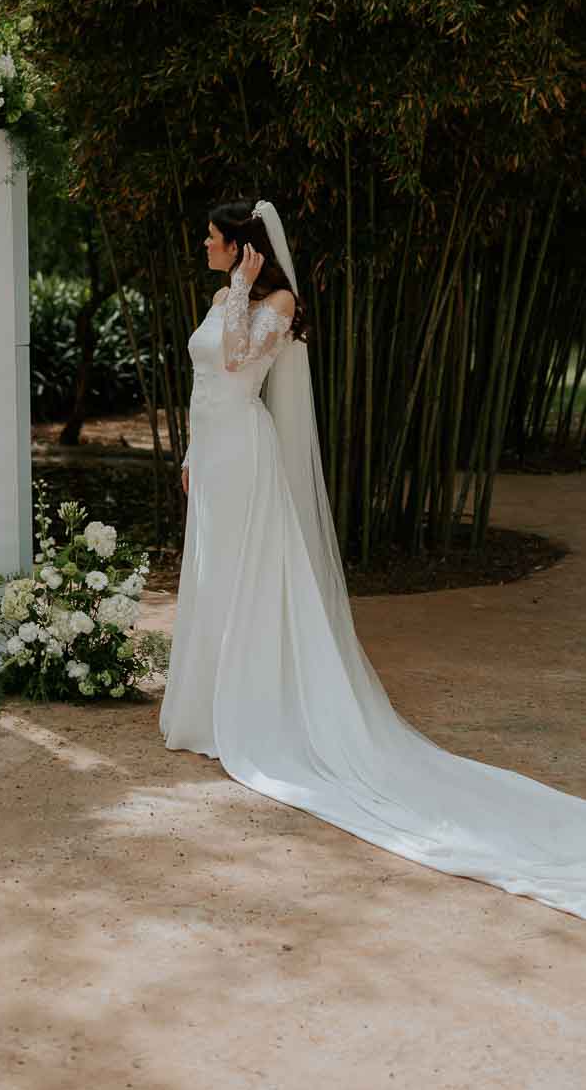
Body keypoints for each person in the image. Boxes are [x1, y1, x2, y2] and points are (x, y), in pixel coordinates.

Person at [160, 197, 586, 920]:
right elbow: (204, 385)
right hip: (216, 452)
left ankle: (253, 710)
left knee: (246, 578)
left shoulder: (278, 300)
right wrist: (192, 453)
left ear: (241, 246)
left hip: (249, 454)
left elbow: (236, 363)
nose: (202, 246)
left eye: (211, 238)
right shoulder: (220, 293)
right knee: (211, 577)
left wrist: (241, 288)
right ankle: (204, 709)